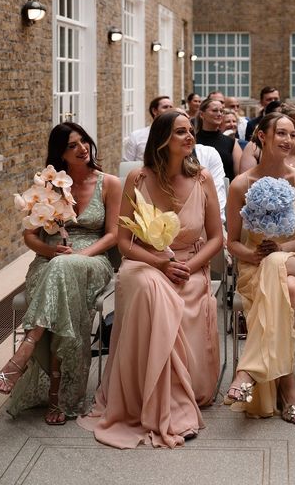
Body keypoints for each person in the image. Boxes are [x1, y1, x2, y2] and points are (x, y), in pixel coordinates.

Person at [78, 111, 223, 448]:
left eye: (191, 131)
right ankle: (162, 405)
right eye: (180, 132)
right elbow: (125, 242)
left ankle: (178, 394)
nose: (190, 137)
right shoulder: (137, 180)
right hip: (144, 262)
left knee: (174, 290)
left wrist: (188, 266)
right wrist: (160, 262)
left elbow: (217, 238)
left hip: (190, 262)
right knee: (148, 288)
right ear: (162, 139)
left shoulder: (202, 179)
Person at [0, 122, 121, 425]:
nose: (82, 148)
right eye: (71, 145)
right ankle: (57, 395)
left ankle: (24, 352)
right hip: (49, 261)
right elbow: (31, 237)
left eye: (84, 141)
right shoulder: (50, 187)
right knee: (60, 277)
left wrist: (81, 254)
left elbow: (113, 234)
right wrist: (52, 251)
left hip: (92, 261)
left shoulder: (110, 183)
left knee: (65, 268)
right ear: (60, 155)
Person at [226, 113, 295, 424]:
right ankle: (288, 386)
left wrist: (280, 250)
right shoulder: (241, 184)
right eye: (280, 132)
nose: (288, 140)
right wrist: (253, 256)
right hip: (256, 268)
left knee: (282, 267)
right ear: (261, 136)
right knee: (288, 289)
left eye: (292, 134)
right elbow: (232, 243)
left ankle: (247, 370)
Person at [196, 97, 242, 181]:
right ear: (202, 115)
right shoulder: (192, 141)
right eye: (214, 110)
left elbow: (239, 176)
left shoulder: (231, 142)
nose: (219, 114)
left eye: (221, 111)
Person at [123, 95, 174, 161]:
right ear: (154, 111)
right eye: (165, 107)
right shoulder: (136, 136)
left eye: (171, 107)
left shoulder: (177, 136)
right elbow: (127, 164)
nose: (169, 110)